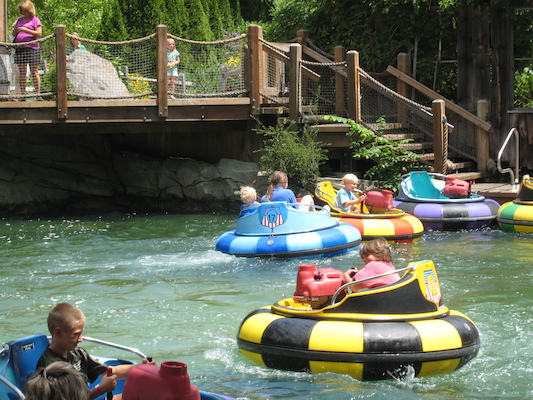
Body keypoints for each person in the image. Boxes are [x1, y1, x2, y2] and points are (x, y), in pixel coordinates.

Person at [37, 303, 156, 400]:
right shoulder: (51, 369)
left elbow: (110, 371)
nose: (81, 339)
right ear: (58, 333)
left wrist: (142, 368)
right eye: (76, 334)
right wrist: (100, 389)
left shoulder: (77, 354)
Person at [11, 0, 42, 101]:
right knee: (22, 73)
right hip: (20, 48)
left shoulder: (35, 20)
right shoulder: (19, 20)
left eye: (25, 10)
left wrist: (24, 30)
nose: (24, 12)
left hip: (32, 48)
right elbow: (13, 34)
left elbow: (38, 34)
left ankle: (38, 94)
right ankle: (23, 95)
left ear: (30, 10)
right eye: (22, 10)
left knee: (34, 71)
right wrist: (15, 31)